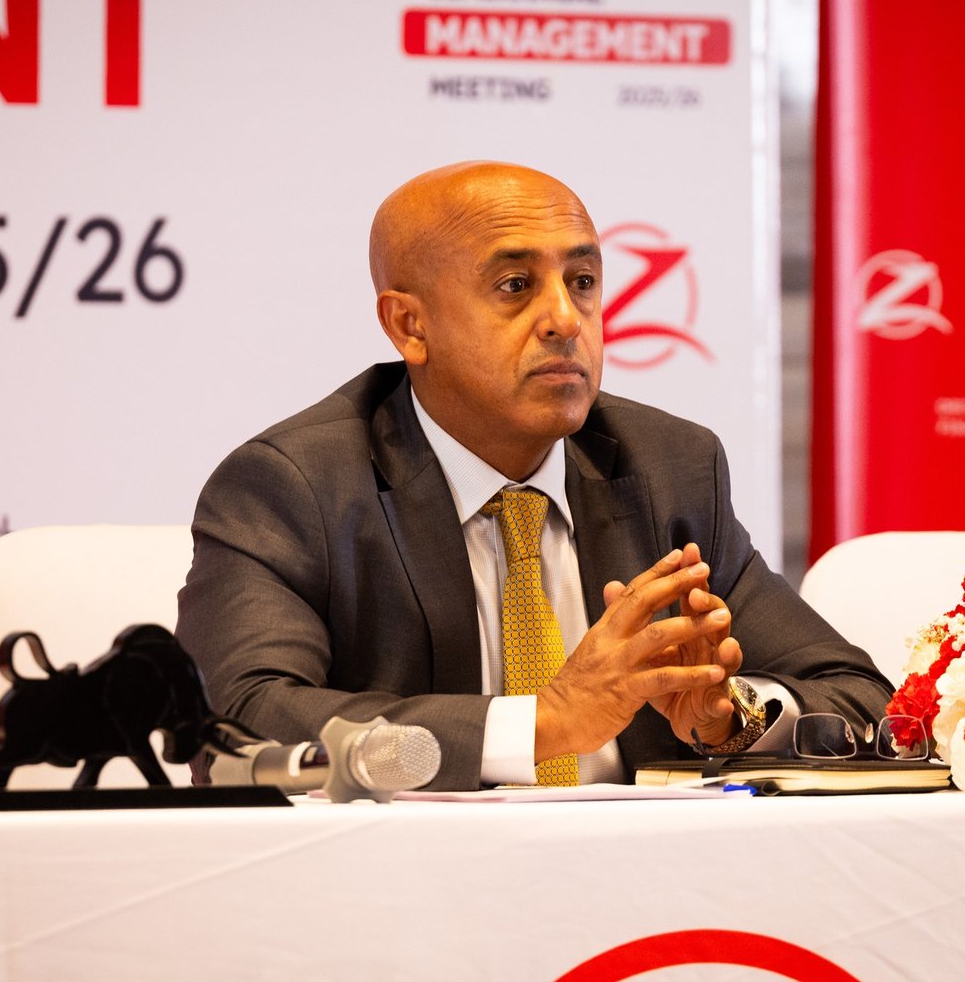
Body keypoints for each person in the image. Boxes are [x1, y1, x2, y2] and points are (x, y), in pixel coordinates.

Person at [176, 161, 890, 789]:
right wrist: (541, 724)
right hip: (406, 881)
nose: (565, 319)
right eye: (515, 285)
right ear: (409, 326)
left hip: (645, 878)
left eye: (583, 282)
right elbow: (235, 727)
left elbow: (865, 700)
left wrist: (730, 716)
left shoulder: (668, 468)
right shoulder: (295, 486)